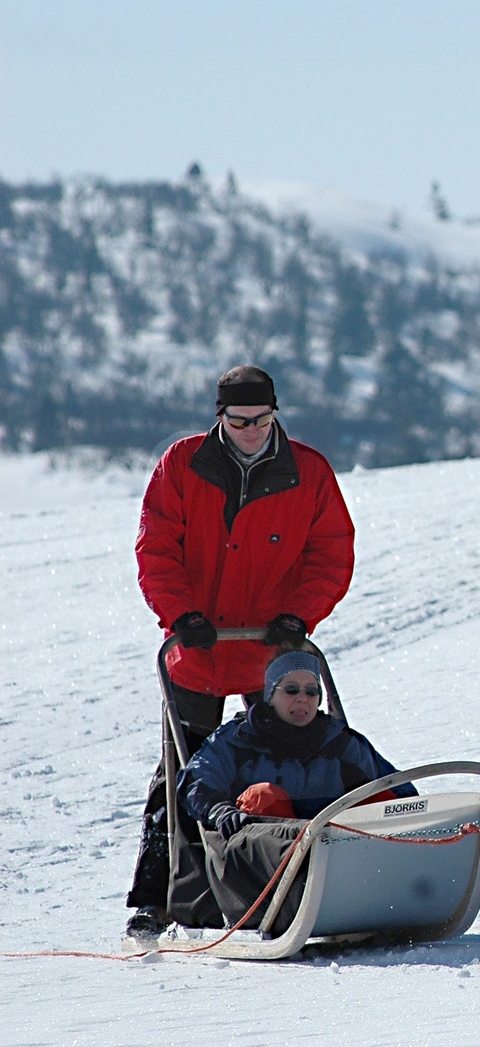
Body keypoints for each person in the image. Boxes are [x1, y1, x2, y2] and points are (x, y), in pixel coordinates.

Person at [125, 365, 356, 938]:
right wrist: (181, 615)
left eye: (261, 419)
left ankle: (280, 879)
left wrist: (298, 615)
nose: (251, 431)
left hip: (270, 647)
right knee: (186, 767)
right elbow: (157, 546)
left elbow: (330, 553)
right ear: (219, 417)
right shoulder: (182, 465)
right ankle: (163, 893)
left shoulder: (309, 471)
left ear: (276, 413)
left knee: (282, 756)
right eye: (238, 420)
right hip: (199, 643)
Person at [175, 651, 417, 934]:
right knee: (262, 796)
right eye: (291, 690)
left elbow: (399, 793)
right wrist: (219, 809)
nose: (302, 698)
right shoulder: (236, 740)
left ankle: (400, 890)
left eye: (311, 691)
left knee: (380, 798)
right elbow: (196, 781)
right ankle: (301, 897)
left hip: (343, 866)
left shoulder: (339, 742)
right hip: (261, 876)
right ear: (269, 695)